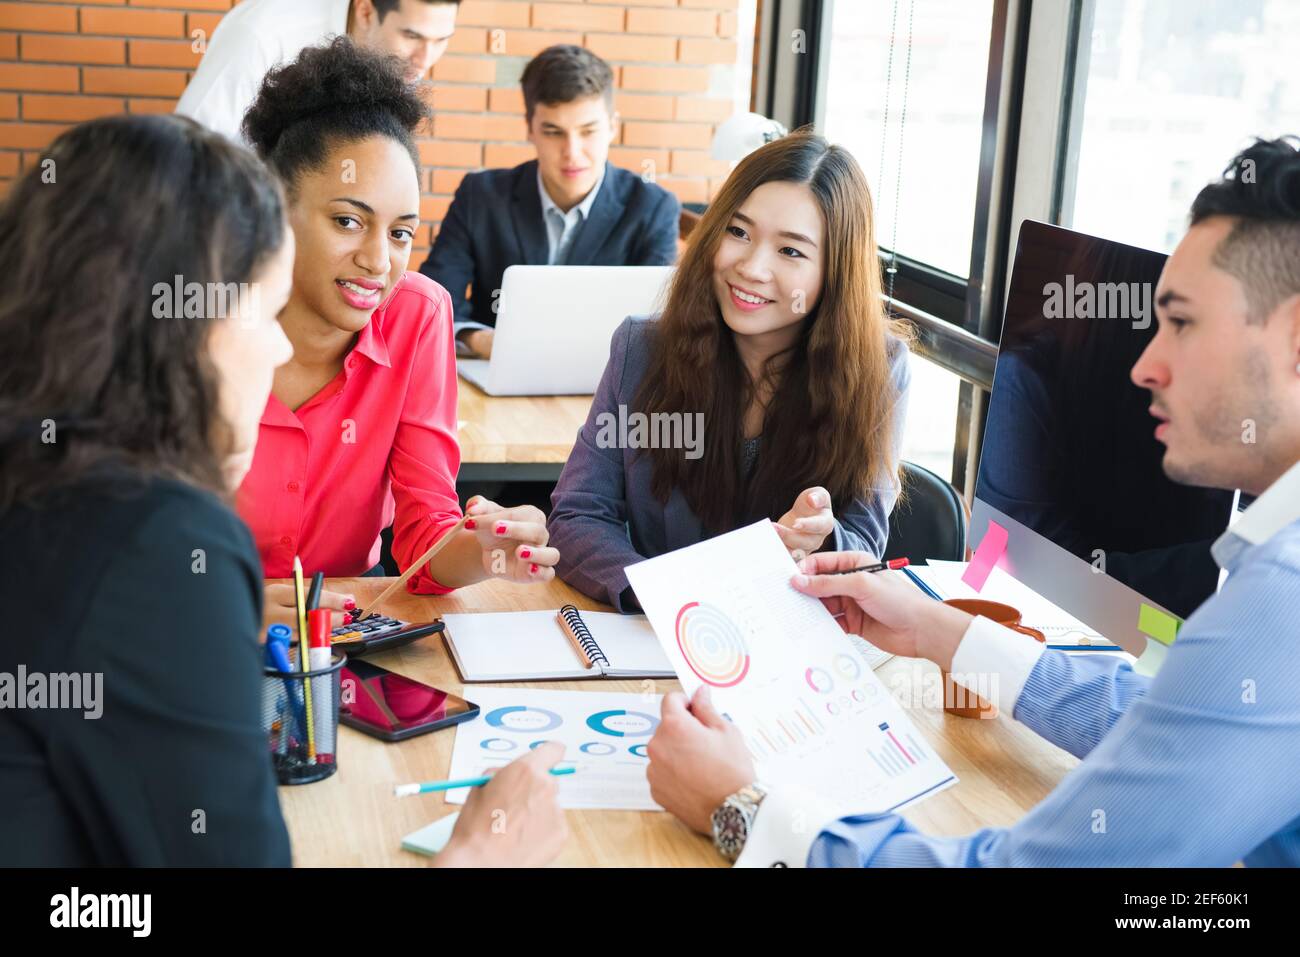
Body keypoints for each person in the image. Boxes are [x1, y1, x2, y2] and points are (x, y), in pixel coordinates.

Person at [644, 137, 1300, 868]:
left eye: (1180, 321)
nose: (1146, 364)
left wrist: (742, 810)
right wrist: (939, 630)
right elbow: (1165, 722)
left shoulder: (1284, 594)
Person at [0, 112, 567, 868]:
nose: (274, 347)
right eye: (261, 313)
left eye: (401, 231)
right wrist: (476, 856)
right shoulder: (155, 541)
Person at [237, 38, 561, 631]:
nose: (378, 261)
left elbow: (423, 539)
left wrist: (483, 545)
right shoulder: (199, 315)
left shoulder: (418, 314)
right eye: (348, 221)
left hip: (336, 644)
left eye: (401, 233)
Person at [547, 129, 911, 616]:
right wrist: (662, 597)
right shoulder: (643, 349)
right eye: (738, 232)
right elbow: (578, 514)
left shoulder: (880, 370)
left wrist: (821, 539)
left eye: (791, 251)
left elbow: (864, 544)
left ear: (835, 271)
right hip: (658, 633)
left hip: (791, 642)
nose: (752, 267)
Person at [419, 44, 681, 359]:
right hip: (492, 371)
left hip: (599, 382)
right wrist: (481, 341)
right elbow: (434, 298)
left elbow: (654, 325)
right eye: (554, 132)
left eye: (588, 131)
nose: (572, 152)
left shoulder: (654, 208)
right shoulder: (481, 195)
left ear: (612, 126)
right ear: (530, 129)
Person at [176, 0, 459, 146]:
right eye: (411, 36)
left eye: (441, 40)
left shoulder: (403, 60)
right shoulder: (263, 33)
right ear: (365, 11)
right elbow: (189, 148)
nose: (425, 60)